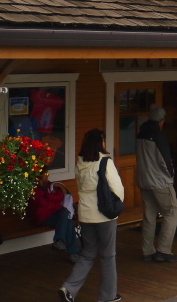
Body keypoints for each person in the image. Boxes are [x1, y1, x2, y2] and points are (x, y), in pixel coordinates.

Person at [59, 129, 123, 302]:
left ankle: (69, 288)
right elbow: (117, 188)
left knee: (87, 253)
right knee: (108, 256)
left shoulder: (80, 163)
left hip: (86, 214)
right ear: (100, 142)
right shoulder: (105, 162)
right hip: (104, 215)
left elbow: (80, 187)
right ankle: (108, 296)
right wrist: (117, 204)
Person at [135, 105, 177, 263]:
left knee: (149, 215)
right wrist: (172, 174)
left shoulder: (140, 134)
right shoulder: (158, 136)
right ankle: (163, 250)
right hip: (160, 182)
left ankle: (147, 251)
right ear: (161, 121)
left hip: (143, 181)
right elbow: (164, 160)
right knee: (171, 212)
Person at [26, 168, 78, 262]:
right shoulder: (33, 189)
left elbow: (60, 195)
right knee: (66, 218)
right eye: (45, 174)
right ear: (39, 176)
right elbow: (43, 205)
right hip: (43, 218)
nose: (47, 175)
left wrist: (49, 197)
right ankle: (71, 252)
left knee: (67, 219)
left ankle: (59, 241)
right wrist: (54, 200)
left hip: (55, 215)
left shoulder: (49, 184)